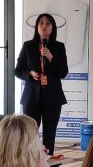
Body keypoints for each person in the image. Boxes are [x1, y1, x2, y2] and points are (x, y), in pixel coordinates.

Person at [14, 12, 68, 155]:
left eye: (48, 23)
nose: (44, 26)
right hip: (32, 96)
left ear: (52, 27)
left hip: (52, 97)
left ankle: (49, 166)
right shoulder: (28, 46)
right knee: (30, 135)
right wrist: (30, 74)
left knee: (49, 134)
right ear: (37, 27)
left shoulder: (59, 47)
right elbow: (18, 71)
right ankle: (29, 165)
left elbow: (63, 72)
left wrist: (51, 57)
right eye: (41, 23)